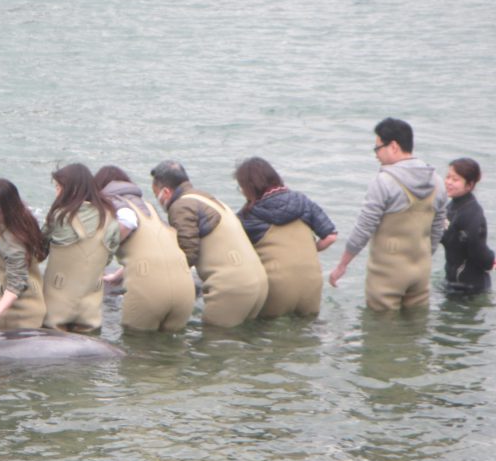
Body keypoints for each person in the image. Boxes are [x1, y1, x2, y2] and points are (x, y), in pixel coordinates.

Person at [329, 118, 447, 311]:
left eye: (377, 148)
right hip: (421, 270)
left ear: (393, 146)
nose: (376, 154)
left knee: (380, 327)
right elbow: (437, 228)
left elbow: (364, 228)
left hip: (388, 273)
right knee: (417, 324)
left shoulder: (384, 181)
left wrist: (342, 265)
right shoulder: (437, 181)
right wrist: (425, 256)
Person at [150, 160, 268, 327]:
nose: (158, 200)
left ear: (166, 192)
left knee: (214, 340)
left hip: (233, 288)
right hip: (259, 284)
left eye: (156, 195)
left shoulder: (181, 206)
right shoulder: (207, 199)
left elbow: (187, 254)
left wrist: (156, 276)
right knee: (242, 341)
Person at [94, 165, 195, 331]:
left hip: (150, 289)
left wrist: (101, 252)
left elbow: (128, 221)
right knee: (173, 345)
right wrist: (117, 277)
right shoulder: (147, 207)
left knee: (135, 342)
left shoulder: (113, 200)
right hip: (185, 287)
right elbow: (151, 249)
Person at [234, 157, 337, 317]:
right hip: (312, 284)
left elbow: (236, 257)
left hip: (276, 289)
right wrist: (310, 249)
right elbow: (330, 236)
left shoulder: (247, 216)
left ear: (249, 187)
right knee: (309, 329)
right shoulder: (302, 201)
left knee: (262, 329)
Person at [42, 163, 121, 332]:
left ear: (69, 189)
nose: (56, 192)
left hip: (55, 308)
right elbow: (107, 259)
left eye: (58, 187)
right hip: (90, 311)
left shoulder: (59, 216)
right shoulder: (111, 219)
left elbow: (38, 251)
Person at [0, 178, 48, 329]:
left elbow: (17, 283)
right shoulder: (21, 222)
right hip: (17, 309)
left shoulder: (14, 241)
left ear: (8, 208)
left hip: (21, 315)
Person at [441, 157, 496, 294]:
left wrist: (490, 260)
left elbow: (478, 249)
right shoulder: (452, 206)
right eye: (448, 177)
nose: (449, 182)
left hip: (471, 289)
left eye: (455, 180)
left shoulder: (472, 213)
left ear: (470, 185)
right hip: (453, 282)